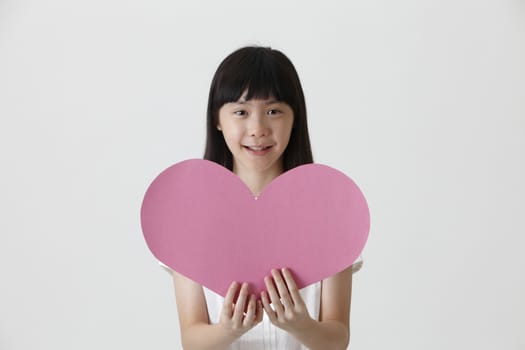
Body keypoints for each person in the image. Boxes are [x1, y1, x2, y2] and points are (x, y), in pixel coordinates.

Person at [168, 46, 362, 349]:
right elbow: (192, 340)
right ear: (217, 119)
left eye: (273, 111)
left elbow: (337, 339)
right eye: (241, 112)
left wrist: (302, 326)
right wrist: (228, 330)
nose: (258, 129)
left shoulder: (330, 214)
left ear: (295, 117)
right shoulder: (192, 219)